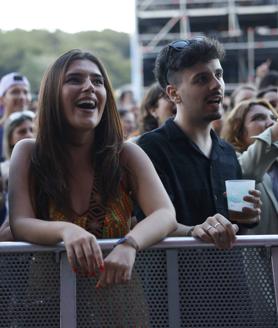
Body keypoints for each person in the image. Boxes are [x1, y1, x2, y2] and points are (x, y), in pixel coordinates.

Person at [9, 50, 177, 290]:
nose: (89, 87)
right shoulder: (28, 153)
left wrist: (129, 244)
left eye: (97, 81)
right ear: (52, 94)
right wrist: (66, 230)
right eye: (75, 79)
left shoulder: (126, 154)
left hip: (119, 307)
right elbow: (20, 222)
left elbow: (165, 214)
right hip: (50, 306)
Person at [137, 36, 261, 249]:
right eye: (202, 79)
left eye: (218, 74)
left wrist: (248, 218)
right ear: (173, 93)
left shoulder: (227, 153)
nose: (217, 85)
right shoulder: (150, 149)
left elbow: (237, 229)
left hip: (232, 279)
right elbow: (144, 222)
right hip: (174, 279)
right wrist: (194, 231)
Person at [221, 99, 278, 234]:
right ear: (238, 130)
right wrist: (273, 132)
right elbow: (247, 172)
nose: (271, 122)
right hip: (250, 253)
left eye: (274, 118)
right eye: (258, 118)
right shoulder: (229, 159)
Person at [0, 72, 31, 159]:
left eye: (25, 92)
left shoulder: (40, 128)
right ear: (1, 99)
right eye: (15, 92)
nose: (22, 97)